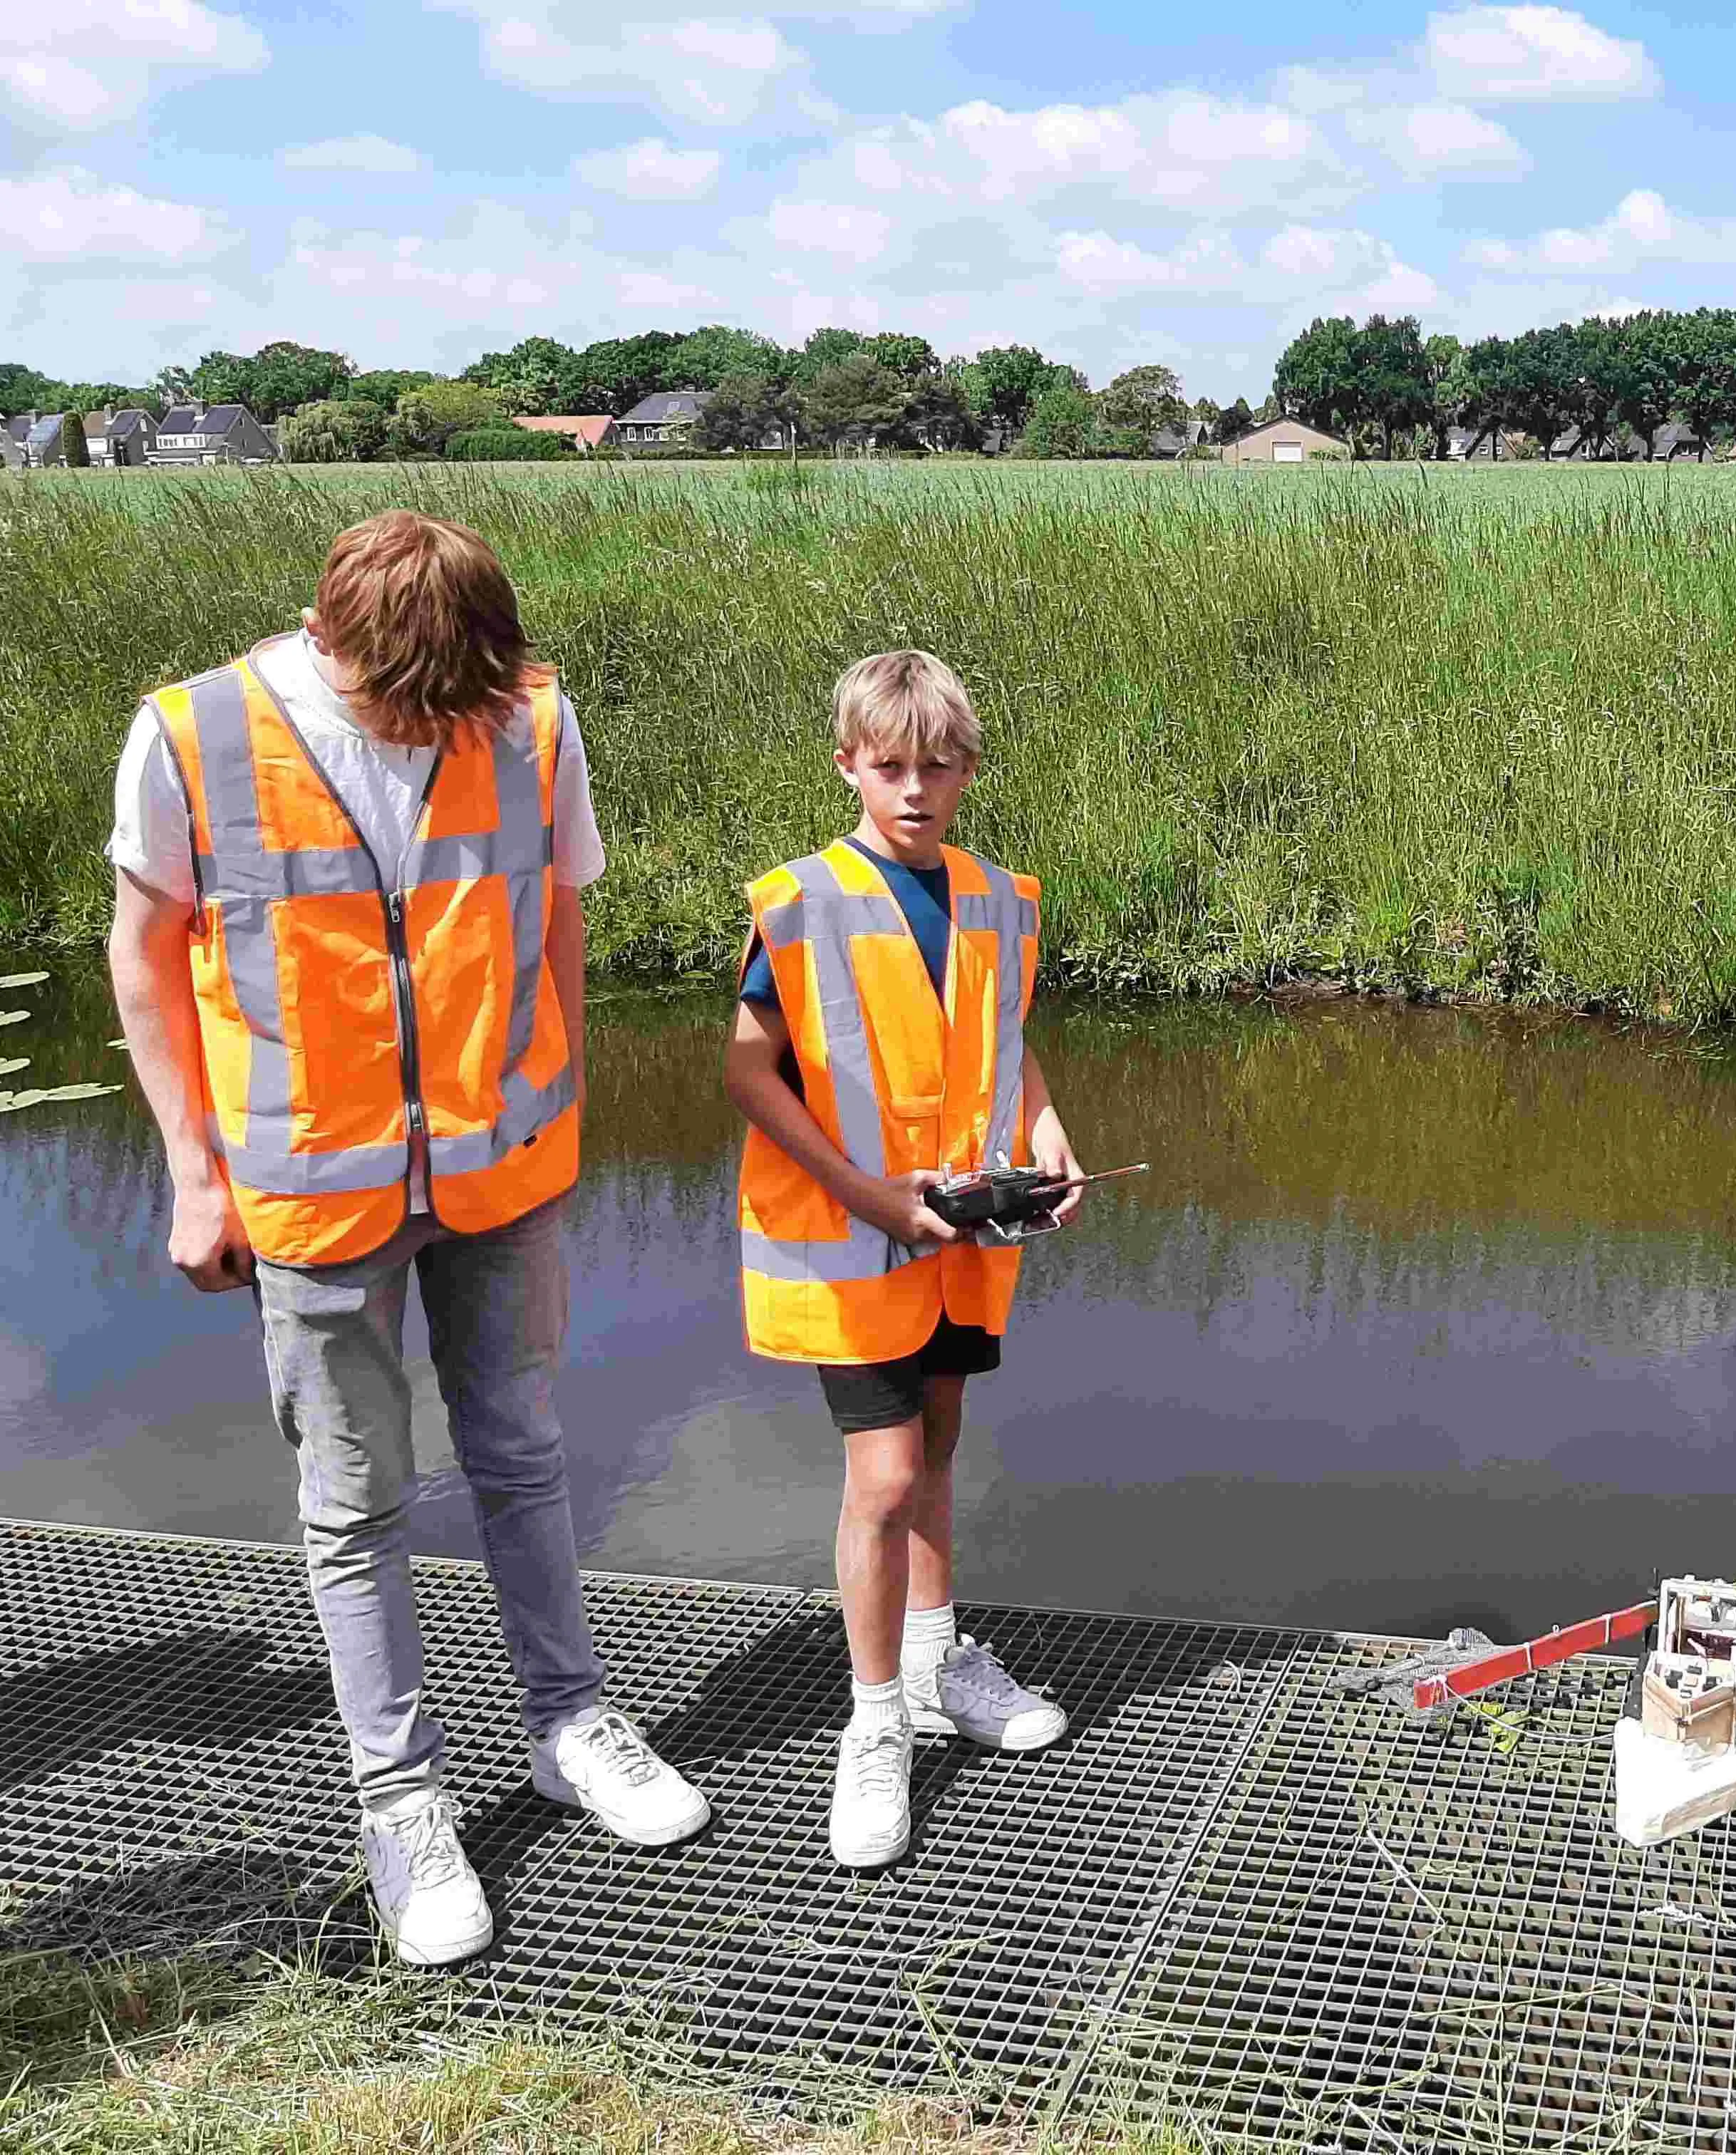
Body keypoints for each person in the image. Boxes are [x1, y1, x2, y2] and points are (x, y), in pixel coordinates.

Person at [106, 510, 709, 1969]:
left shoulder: (532, 717)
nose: (442, 728)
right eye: (408, 705)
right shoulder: (193, 737)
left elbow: (554, 917)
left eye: (466, 703)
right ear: (329, 641)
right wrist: (193, 1173)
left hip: (501, 1168)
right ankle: (403, 1801)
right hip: (314, 1189)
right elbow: (143, 952)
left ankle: (570, 1722)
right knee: (354, 1502)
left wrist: (558, 1101)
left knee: (523, 1452)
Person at [723, 651, 1081, 1870]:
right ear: (848, 766)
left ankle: (935, 1664)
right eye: (890, 767)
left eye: (938, 765)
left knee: (936, 1449)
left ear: (970, 768)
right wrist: (868, 1195)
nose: (915, 789)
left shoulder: (997, 897)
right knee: (880, 1481)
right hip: (853, 1239)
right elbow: (748, 1072)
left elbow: (1009, 1041)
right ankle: (875, 1723)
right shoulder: (802, 900)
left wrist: (1046, 1132)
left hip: (965, 1237)